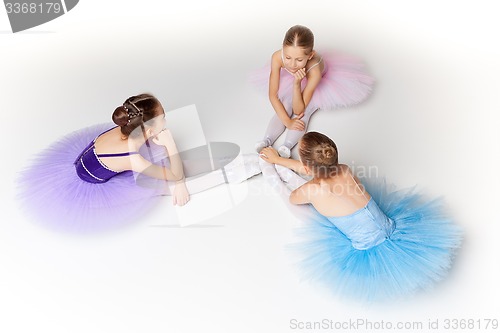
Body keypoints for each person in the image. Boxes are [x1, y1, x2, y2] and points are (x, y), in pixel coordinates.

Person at [259, 132, 462, 301]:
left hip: (367, 247)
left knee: (291, 201)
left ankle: (270, 175)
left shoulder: (314, 189)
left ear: (306, 166)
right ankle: (277, 166)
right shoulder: (344, 170)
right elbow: (315, 171)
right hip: (390, 229)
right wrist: (279, 160)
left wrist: (279, 166)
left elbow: (295, 199)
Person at [17, 94, 260, 231]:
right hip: (94, 182)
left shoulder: (126, 130)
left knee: (172, 166)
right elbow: (174, 176)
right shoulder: (132, 156)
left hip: (96, 159)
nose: (167, 120)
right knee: (168, 185)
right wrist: (172, 148)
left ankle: (228, 160)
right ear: (149, 127)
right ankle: (234, 173)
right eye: (163, 118)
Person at [253, 25, 374, 158]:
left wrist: (297, 84)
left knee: (304, 113)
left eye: (299, 60)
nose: (292, 64)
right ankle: (267, 140)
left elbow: (299, 109)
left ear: (310, 55)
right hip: (298, 77)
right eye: (287, 57)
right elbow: (273, 95)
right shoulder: (277, 57)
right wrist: (287, 121)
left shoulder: (315, 71)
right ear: (282, 49)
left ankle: (287, 145)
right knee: (284, 105)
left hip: (313, 82)